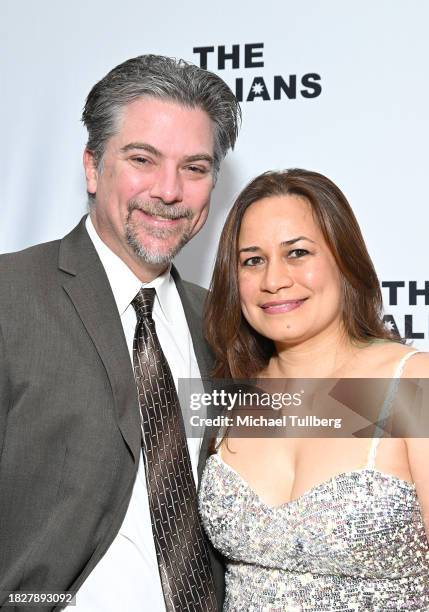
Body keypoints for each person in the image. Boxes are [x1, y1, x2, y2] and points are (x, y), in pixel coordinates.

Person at [0, 54, 240, 611]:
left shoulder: (225, 327)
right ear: (91, 166)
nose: (169, 190)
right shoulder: (10, 297)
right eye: (142, 159)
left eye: (196, 168)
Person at [198, 169, 429, 610]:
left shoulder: (412, 386)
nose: (274, 280)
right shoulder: (228, 398)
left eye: (297, 253)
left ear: (345, 260)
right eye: (252, 260)